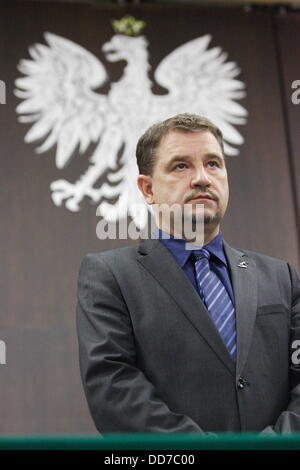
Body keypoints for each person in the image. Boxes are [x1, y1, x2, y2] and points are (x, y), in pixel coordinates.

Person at [76, 113, 300, 434]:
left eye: (213, 163)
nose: (202, 178)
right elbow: (113, 388)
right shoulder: (110, 276)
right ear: (147, 188)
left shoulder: (282, 277)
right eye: (181, 166)